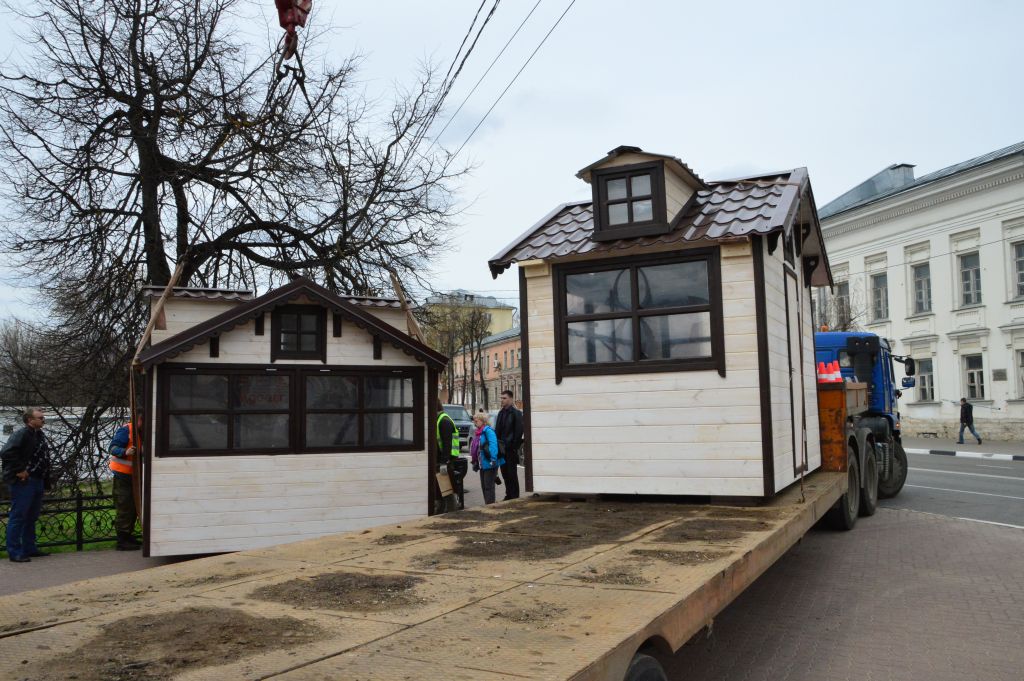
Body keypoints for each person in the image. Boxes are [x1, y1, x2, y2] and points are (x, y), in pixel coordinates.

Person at [1, 408, 50, 562]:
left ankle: (29, 547)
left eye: (43, 417)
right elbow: (6, 452)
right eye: (40, 417)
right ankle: (14, 551)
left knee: (31, 516)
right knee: (19, 515)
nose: (43, 420)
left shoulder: (38, 435)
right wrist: (19, 470)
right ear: (30, 420)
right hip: (24, 481)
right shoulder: (22, 434)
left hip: (37, 480)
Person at [107, 418, 142, 550]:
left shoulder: (141, 432)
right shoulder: (126, 430)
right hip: (123, 475)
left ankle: (127, 536)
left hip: (133, 475)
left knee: (132, 507)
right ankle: (122, 540)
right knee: (125, 506)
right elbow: (112, 448)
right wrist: (124, 452)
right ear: (139, 419)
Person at [494, 389, 524, 501]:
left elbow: (519, 431)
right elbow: (497, 431)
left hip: (510, 450)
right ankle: (508, 494)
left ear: (511, 399)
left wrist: (513, 447)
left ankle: (515, 496)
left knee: (512, 474)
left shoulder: (516, 413)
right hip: (501, 450)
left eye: (504, 398)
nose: (502, 400)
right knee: (505, 473)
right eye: (501, 398)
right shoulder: (501, 413)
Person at [435, 405, 467, 511]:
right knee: (441, 492)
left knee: (447, 491)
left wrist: (444, 462)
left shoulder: (444, 421)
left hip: (445, 461)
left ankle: (451, 513)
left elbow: (447, 444)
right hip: (442, 460)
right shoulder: (440, 419)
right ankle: (444, 511)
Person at [472, 412, 503, 505]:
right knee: (484, 486)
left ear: (483, 421)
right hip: (482, 464)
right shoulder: (478, 433)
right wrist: (475, 461)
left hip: (489, 462)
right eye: (474, 421)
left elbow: (493, 445)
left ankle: (490, 505)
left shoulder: (488, 431)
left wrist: (493, 459)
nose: (475, 423)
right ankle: (488, 504)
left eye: (476, 421)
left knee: (488, 486)